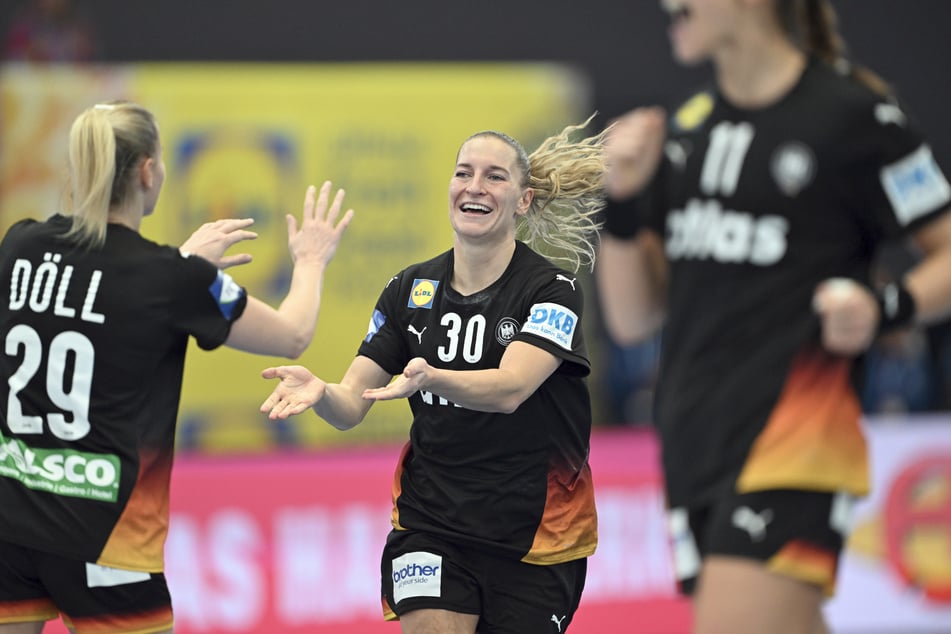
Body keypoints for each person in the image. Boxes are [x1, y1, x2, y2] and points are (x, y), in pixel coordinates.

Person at [595, 2, 951, 633]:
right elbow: (632, 318)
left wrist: (883, 307)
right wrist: (622, 198)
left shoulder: (855, 116)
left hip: (796, 437)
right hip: (694, 442)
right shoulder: (686, 131)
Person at [0, 100, 353, 634]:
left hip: (12, 523)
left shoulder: (20, 244)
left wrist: (181, 264)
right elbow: (293, 334)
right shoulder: (169, 279)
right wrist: (309, 259)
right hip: (106, 535)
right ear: (148, 170)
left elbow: (103, 291)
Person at [260, 120, 606, 634]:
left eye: (494, 177)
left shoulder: (551, 291)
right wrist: (322, 393)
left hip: (536, 535)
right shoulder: (409, 288)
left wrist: (430, 377)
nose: (474, 187)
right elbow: (353, 402)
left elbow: (511, 389)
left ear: (524, 201)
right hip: (432, 522)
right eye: (463, 173)